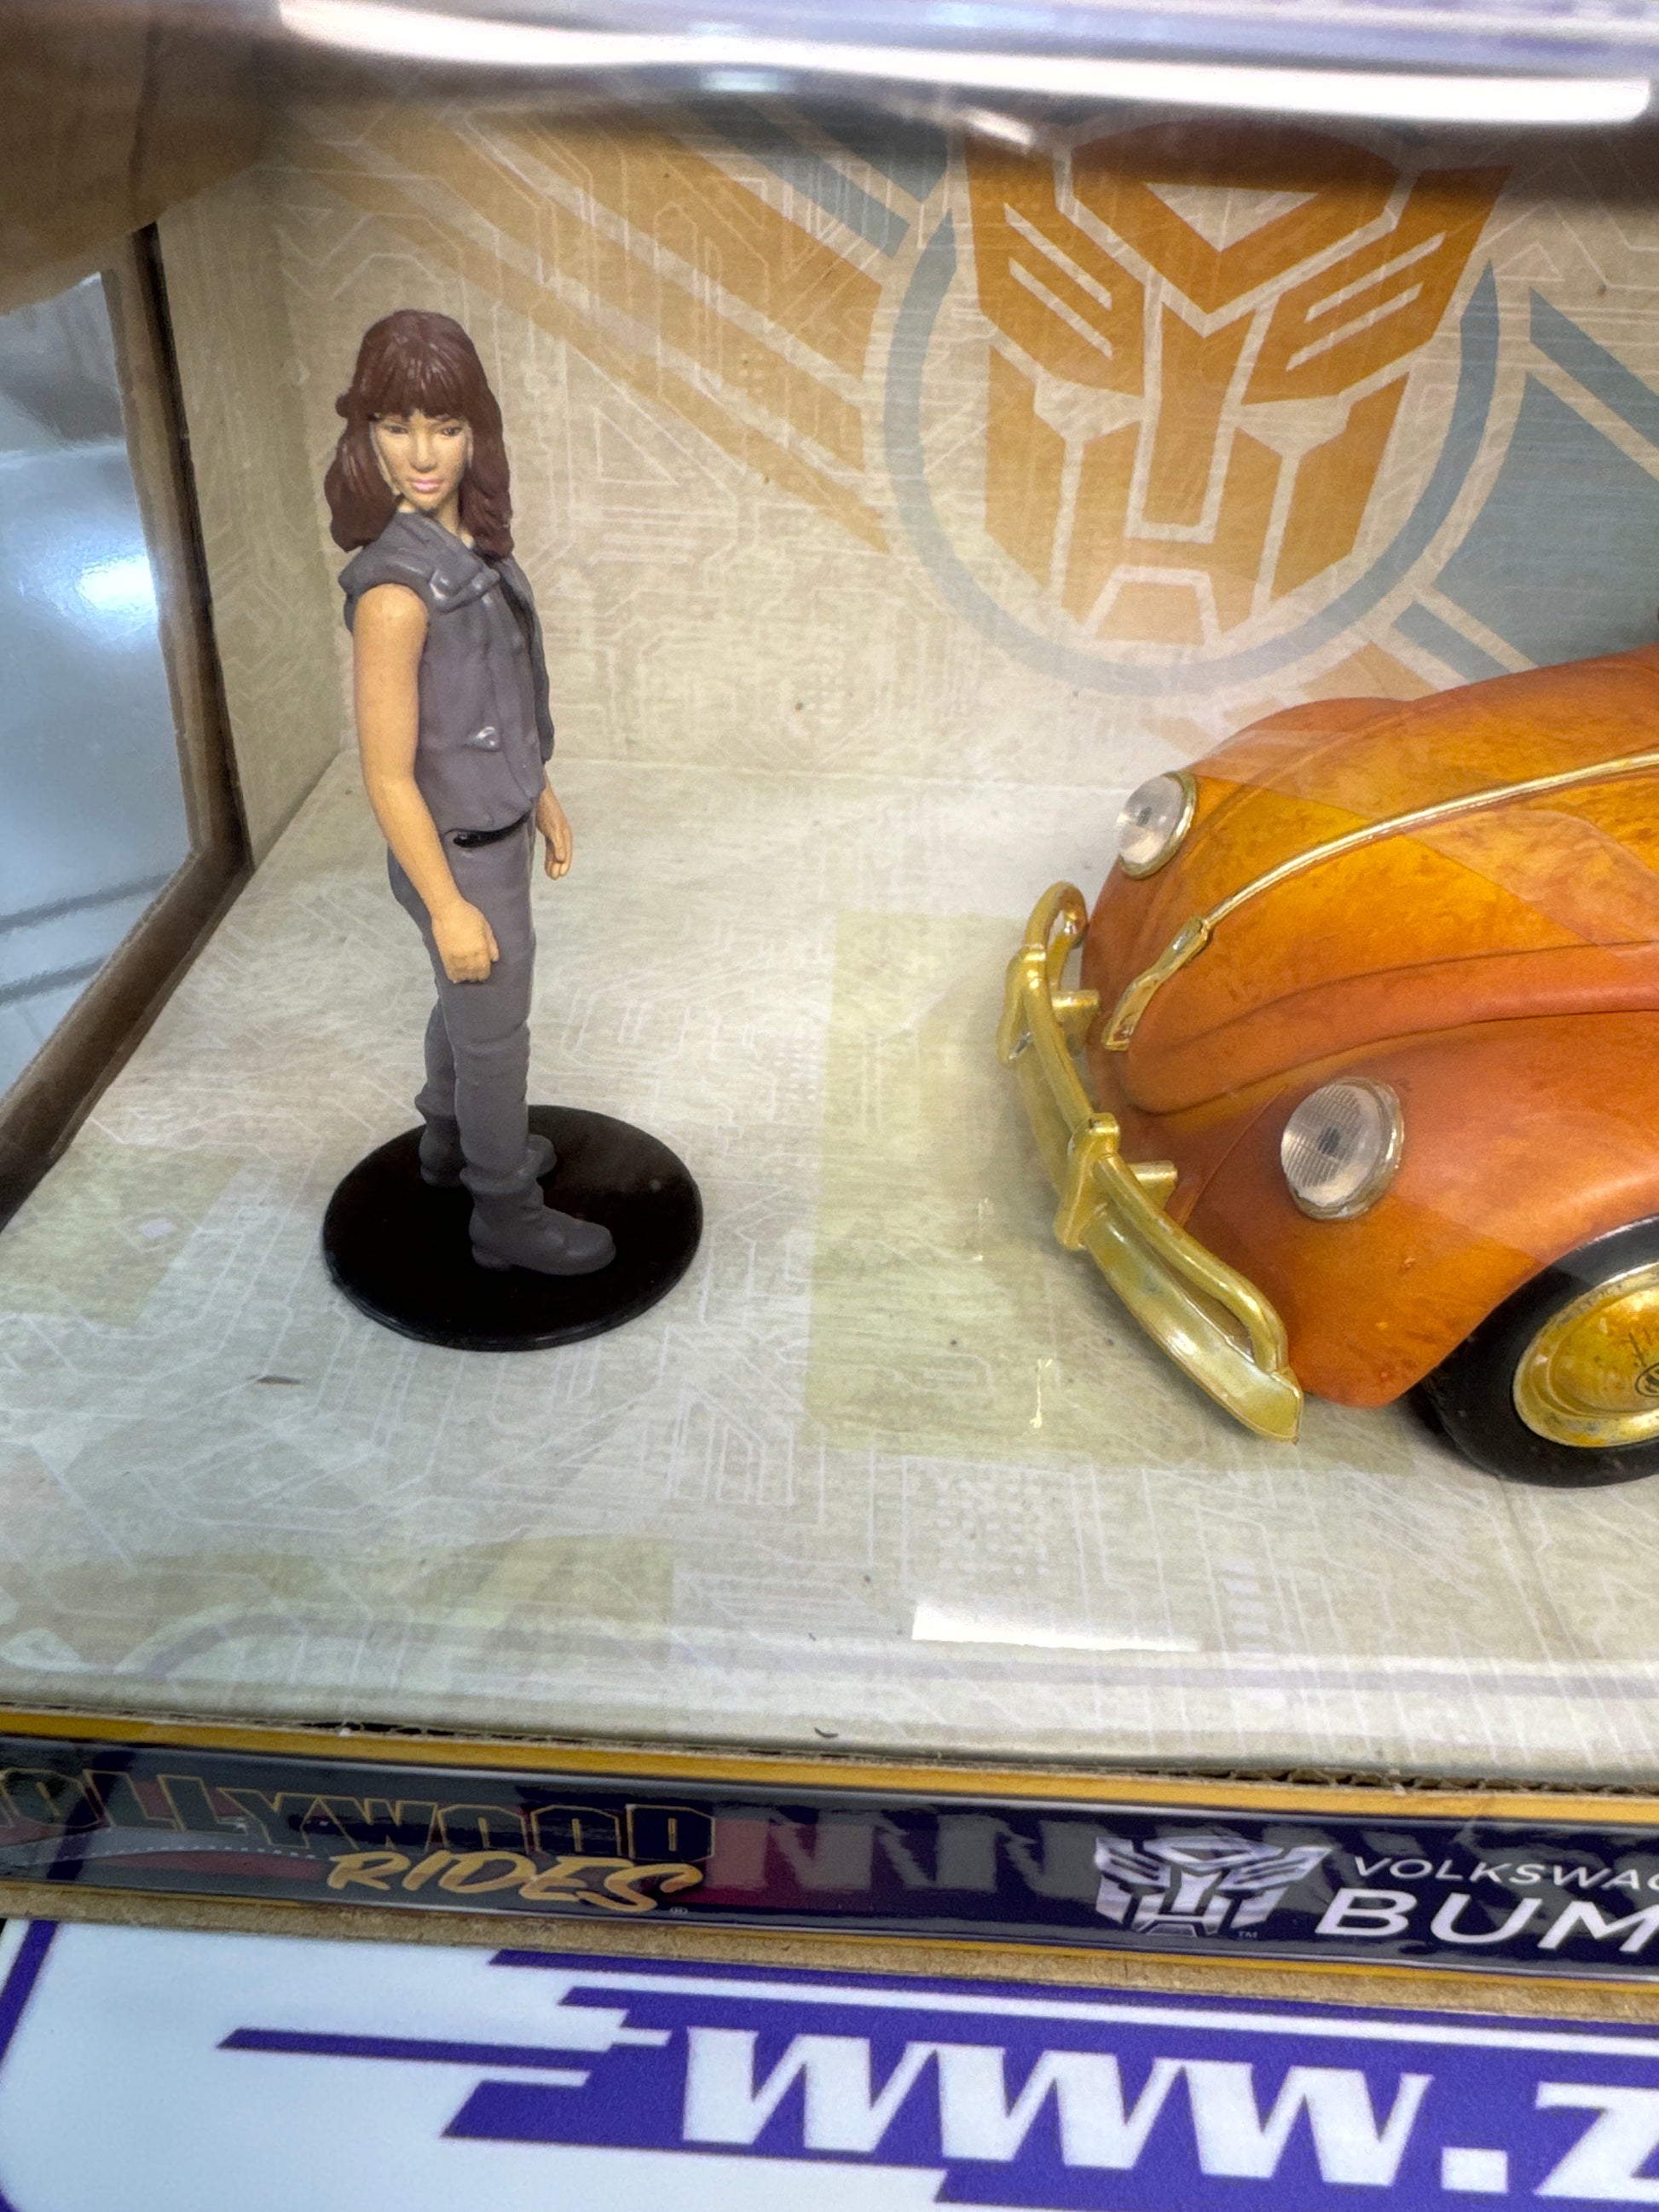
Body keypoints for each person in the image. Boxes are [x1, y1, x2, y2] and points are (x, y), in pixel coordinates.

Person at [325, 309, 613, 1276]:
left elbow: (498, 702)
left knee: (467, 1006)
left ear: (475, 432)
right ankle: (504, 1212)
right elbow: (385, 773)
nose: (422, 454)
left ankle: (447, 1141)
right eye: (396, 426)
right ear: (365, 433)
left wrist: (540, 793)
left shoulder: (477, 556)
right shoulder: (395, 596)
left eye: (445, 427)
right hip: (454, 854)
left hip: (497, 827)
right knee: (495, 1038)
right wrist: (448, 903)